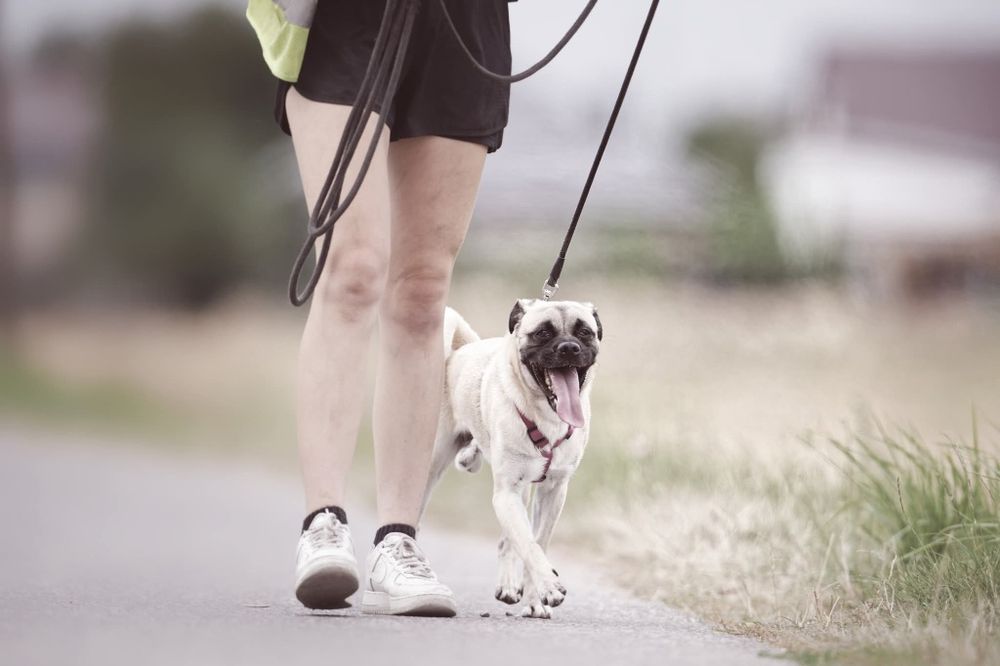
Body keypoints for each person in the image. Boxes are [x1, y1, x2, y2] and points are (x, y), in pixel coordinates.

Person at [259, 0, 513, 616]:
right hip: (350, 21)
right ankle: (323, 523)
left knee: (424, 290)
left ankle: (397, 541)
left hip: (463, 22)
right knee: (354, 269)